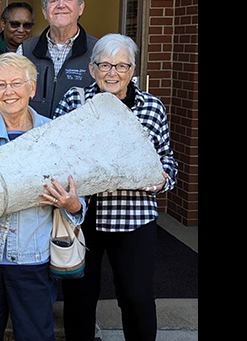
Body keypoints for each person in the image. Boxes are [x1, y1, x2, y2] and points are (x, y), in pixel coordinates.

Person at [56, 34, 178, 341]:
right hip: (83, 218)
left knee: (136, 297)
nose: (113, 72)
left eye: (121, 65)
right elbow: (55, 156)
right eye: (105, 65)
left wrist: (162, 178)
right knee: (79, 299)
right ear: (93, 69)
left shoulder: (151, 107)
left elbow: (168, 161)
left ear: (133, 69)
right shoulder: (75, 101)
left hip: (133, 217)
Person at [0, 52, 85, 341]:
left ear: (32, 88)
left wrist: (72, 205)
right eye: (0, 85)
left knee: (36, 335)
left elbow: (78, 198)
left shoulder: (53, 134)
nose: (9, 91)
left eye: (16, 83)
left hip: (33, 257)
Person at [19, 0, 98, 118]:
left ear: (81, 8)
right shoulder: (25, 50)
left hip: (78, 137)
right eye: (53, 0)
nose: (61, 5)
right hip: (34, 136)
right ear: (44, 11)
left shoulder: (97, 51)